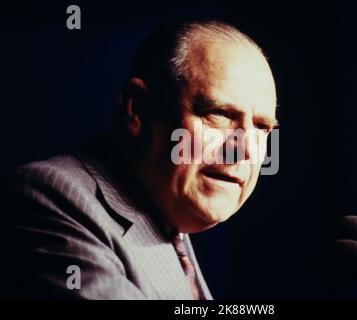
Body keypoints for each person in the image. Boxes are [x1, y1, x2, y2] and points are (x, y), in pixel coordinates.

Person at [0, 20, 278, 299]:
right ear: (137, 109)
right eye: (218, 114)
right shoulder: (48, 197)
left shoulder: (166, 208)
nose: (244, 149)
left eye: (262, 127)